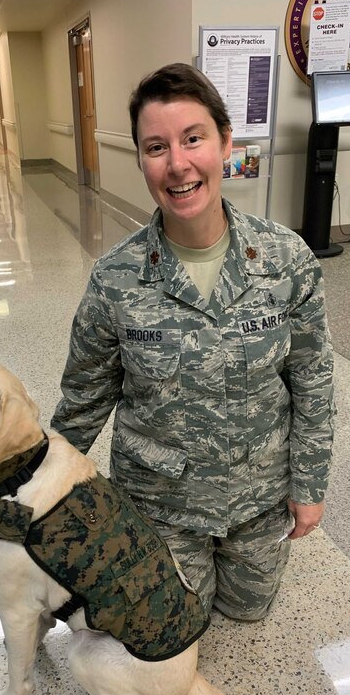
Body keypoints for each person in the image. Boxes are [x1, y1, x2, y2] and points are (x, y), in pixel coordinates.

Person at [51, 63, 333, 621]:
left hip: (258, 493)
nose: (177, 164)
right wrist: (39, 491)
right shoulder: (116, 278)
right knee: (180, 621)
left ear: (225, 144)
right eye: (156, 147)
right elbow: (84, 398)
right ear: (139, 159)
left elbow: (313, 380)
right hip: (160, 501)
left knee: (249, 611)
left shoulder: (286, 259)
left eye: (193, 139)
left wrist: (310, 484)